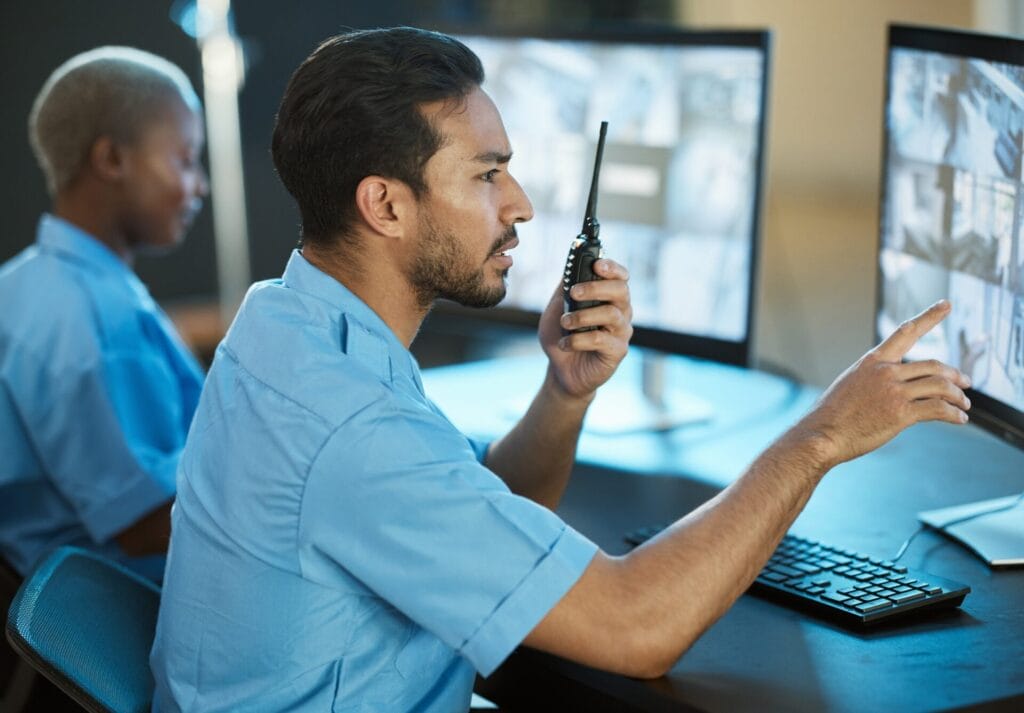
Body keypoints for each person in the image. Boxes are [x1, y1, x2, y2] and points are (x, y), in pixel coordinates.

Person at [150, 27, 971, 712]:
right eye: (486, 173)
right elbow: (636, 628)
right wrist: (821, 435)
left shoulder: (286, 321)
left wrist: (563, 392)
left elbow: (476, 519)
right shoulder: (354, 426)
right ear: (386, 205)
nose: (522, 204)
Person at [0, 47, 208, 582]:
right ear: (112, 160)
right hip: (116, 606)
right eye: (185, 161)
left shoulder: (26, 283)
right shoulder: (95, 319)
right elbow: (146, 520)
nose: (199, 186)